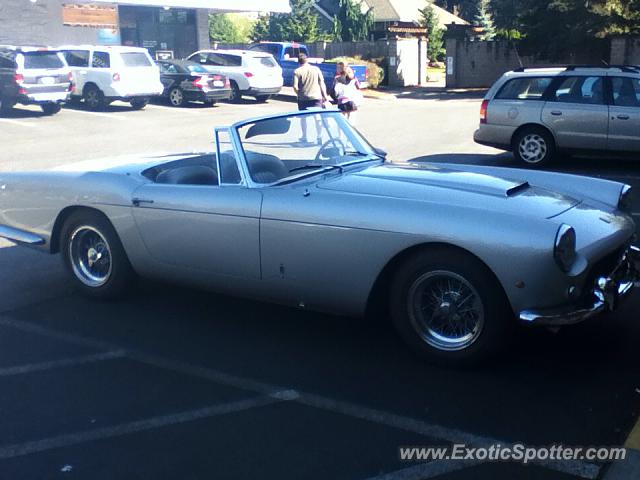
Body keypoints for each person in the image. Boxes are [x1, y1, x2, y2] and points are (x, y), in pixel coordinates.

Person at [293, 53, 328, 143]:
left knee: (303, 117)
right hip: (316, 96)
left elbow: (295, 86)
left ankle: (304, 136)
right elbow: (321, 83)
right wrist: (325, 96)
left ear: (298, 61)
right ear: (307, 60)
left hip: (303, 98)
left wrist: (299, 94)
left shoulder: (297, 71)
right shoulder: (316, 69)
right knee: (317, 117)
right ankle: (319, 136)